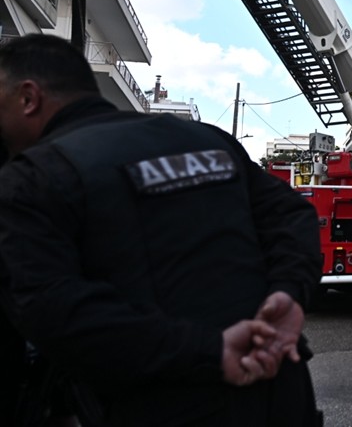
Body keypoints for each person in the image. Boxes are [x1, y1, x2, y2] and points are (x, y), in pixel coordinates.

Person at [0, 34, 323, 427]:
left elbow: (52, 309)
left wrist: (211, 351)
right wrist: (289, 292)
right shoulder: (207, 139)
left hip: (161, 404)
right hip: (282, 393)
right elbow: (293, 215)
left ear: (28, 98)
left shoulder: (33, 176)